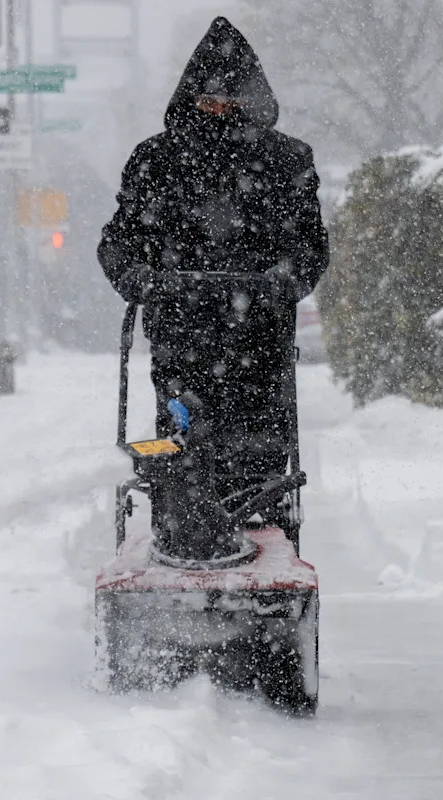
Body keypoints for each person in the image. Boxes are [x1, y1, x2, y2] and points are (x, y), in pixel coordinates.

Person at [98, 16, 329, 499]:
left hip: (260, 330)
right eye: (209, 101)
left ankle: (256, 496)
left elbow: (309, 245)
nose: (219, 112)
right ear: (191, 100)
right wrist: (140, 278)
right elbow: (118, 242)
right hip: (181, 327)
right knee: (185, 431)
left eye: (231, 102)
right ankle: (183, 503)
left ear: (250, 102)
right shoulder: (155, 162)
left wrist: (284, 278)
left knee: (260, 440)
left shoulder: (288, 161)